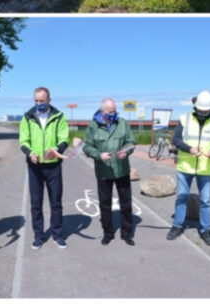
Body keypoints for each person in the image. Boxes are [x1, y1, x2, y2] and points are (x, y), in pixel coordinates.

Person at [166, 91, 210, 246]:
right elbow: (176, 139)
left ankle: (205, 230)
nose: (203, 112)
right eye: (200, 110)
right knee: (182, 196)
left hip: (206, 168)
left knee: (206, 200)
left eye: (205, 110)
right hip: (185, 166)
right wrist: (189, 148)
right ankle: (177, 225)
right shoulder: (184, 119)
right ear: (195, 106)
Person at [19, 86, 69, 249]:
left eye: (42, 100)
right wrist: (30, 153)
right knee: (35, 203)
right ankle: (38, 236)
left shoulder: (59, 116)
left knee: (56, 202)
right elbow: (23, 141)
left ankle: (57, 234)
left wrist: (56, 151)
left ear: (49, 100)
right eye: (36, 101)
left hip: (53, 166)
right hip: (35, 167)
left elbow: (64, 138)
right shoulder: (27, 117)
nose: (39, 103)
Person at [82, 98, 136, 246]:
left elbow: (131, 142)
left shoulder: (122, 123)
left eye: (115, 111)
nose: (114, 114)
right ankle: (108, 233)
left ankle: (127, 233)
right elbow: (87, 147)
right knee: (105, 204)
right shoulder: (93, 126)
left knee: (126, 203)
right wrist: (99, 155)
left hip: (122, 170)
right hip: (103, 171)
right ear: (102, 112)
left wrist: (126, 152)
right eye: (111, 112)